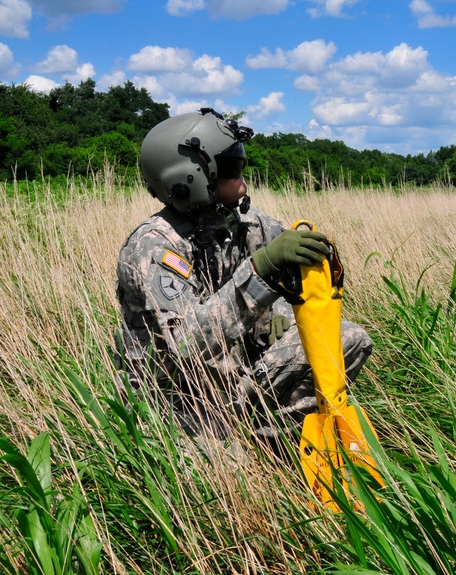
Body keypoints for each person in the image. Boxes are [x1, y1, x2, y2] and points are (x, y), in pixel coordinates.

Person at [114, 108, 373, 446]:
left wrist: (285, 305)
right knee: (222, 484)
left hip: (232, 376)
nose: (243, 179)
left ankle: (271, 440)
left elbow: (286, 275)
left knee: (347, 340)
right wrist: (261, 269)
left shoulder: (242, 222)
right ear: (188, 178)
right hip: (176, 397)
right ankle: (243, 446)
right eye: (230, 168)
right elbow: (188, 345)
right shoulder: (153, 248)